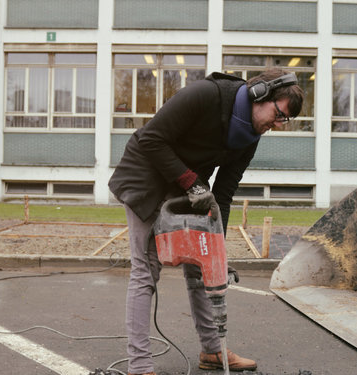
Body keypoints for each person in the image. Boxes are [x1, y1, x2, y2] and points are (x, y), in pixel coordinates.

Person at [108, 68, 304, 375]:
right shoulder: (205, 96)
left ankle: (212, 351)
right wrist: (193, 184)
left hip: (187, 186)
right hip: (145, 178)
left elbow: (224, 194)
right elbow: (151, 139)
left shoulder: (250, 136)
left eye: (285, 121)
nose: (278, 125)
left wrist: (217, 250)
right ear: (260, 94)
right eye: (279, 115)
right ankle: (140, 365)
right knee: (146, 271)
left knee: (204, 268)